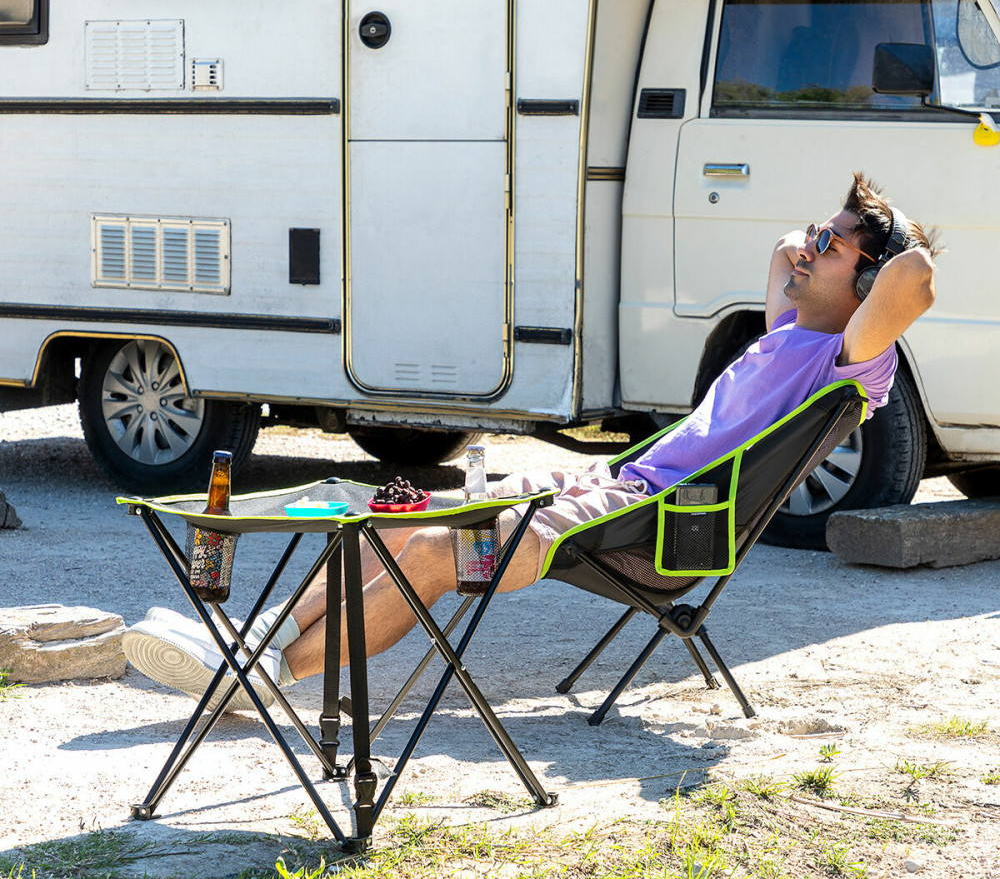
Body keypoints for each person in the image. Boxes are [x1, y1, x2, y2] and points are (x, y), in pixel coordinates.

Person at [123, 172, 939, 711]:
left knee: (441, 551)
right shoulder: (792, 335)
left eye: (830, 245)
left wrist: (883, 241)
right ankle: (248, 644)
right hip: (619, 498)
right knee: (397, 520)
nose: (808, 244)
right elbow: (780, 258)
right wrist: (822, 243)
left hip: (652, 528)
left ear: (865, 285)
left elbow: (914, 279)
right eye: (817, 233)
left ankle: (263, 679)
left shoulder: (851, 363)